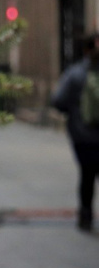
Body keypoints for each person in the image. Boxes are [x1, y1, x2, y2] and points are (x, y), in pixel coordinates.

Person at [51, 34, 99, 232]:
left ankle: (85, 216)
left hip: (83, 136)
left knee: (87, 176)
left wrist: (73, 112)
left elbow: (58, 101)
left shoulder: (75, 73)